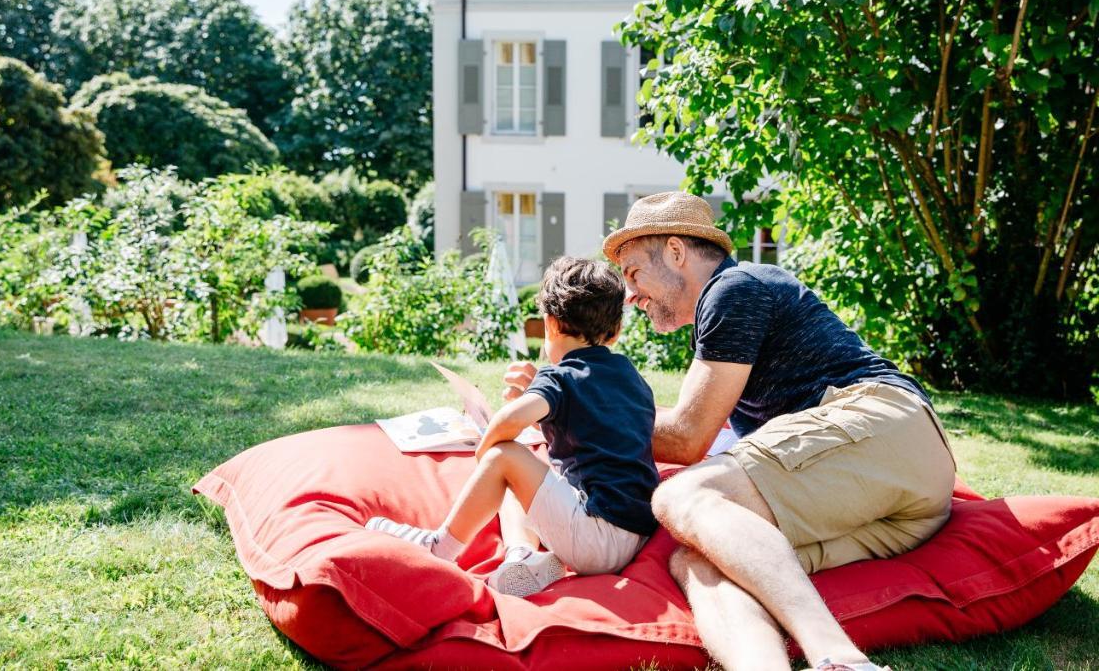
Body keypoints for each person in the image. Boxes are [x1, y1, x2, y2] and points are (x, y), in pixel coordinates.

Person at [506, 192, 956, 671]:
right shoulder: (725, 310)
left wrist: (561, 403)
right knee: (698, 561)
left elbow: (686, 438)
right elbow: (668, 423)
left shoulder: (733, 289)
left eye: (634, 273)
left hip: (883, 426)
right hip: (889, 497)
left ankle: (841, 659)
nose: (631, 295)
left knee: (680, 498)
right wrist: (566, 404)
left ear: (676, 252)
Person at [366, 256, 660, 597]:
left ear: (549, 324)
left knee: (505, 456)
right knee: (522, 471)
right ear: (616, 331)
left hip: (594, 536)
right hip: (636, 536)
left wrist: (485, 452)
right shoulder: (630, 376)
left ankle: (439, 546)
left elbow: (510, 420)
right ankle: (521, 555)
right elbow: (599, 429)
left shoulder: (559, 376)